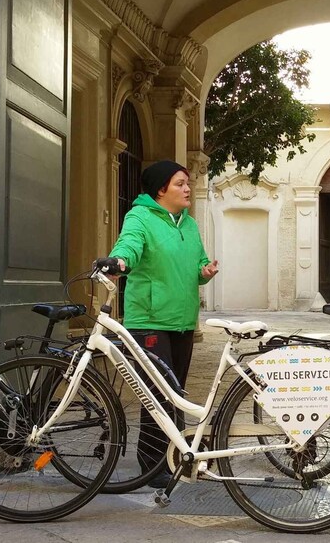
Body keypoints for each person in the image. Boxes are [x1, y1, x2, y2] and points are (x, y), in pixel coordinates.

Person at [105, 160, 219, 489]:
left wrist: (205, 271)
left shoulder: (190, 224)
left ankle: (173, 456)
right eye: (181, 183)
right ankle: (154, 466)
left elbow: (197, 262)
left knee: (175, 393)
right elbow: (130, 246)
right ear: (160, 189)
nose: (187, 188)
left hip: (182, 320)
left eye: (188, 183)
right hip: (150, 320)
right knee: (159, 394)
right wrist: (120, 261)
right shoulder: (139, 217)